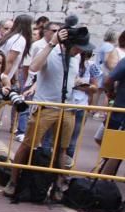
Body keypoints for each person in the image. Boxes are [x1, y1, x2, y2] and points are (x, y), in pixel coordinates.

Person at [4, 27, 81, 196]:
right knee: (28, 144)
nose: (80, 51)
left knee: (62, 149)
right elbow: (33, 67)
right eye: (78, 47)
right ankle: (13, 180)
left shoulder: (76, 58)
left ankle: (58, 186)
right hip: (46, 107)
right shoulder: (49, 52)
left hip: (67, 108)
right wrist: (52, 43)